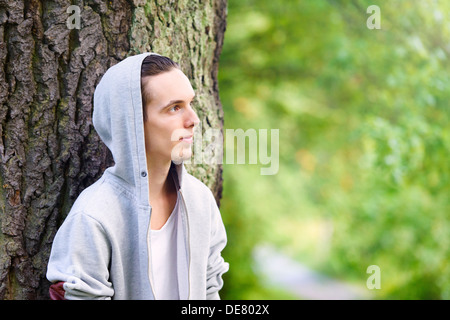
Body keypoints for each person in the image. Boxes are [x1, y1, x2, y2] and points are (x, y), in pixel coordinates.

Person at [46, 53, 229, 300]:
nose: (193, 120)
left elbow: (209, 290)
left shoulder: (200, 201)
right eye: (174, 108)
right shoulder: (93, 216)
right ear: (132, 123)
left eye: (190, 104)